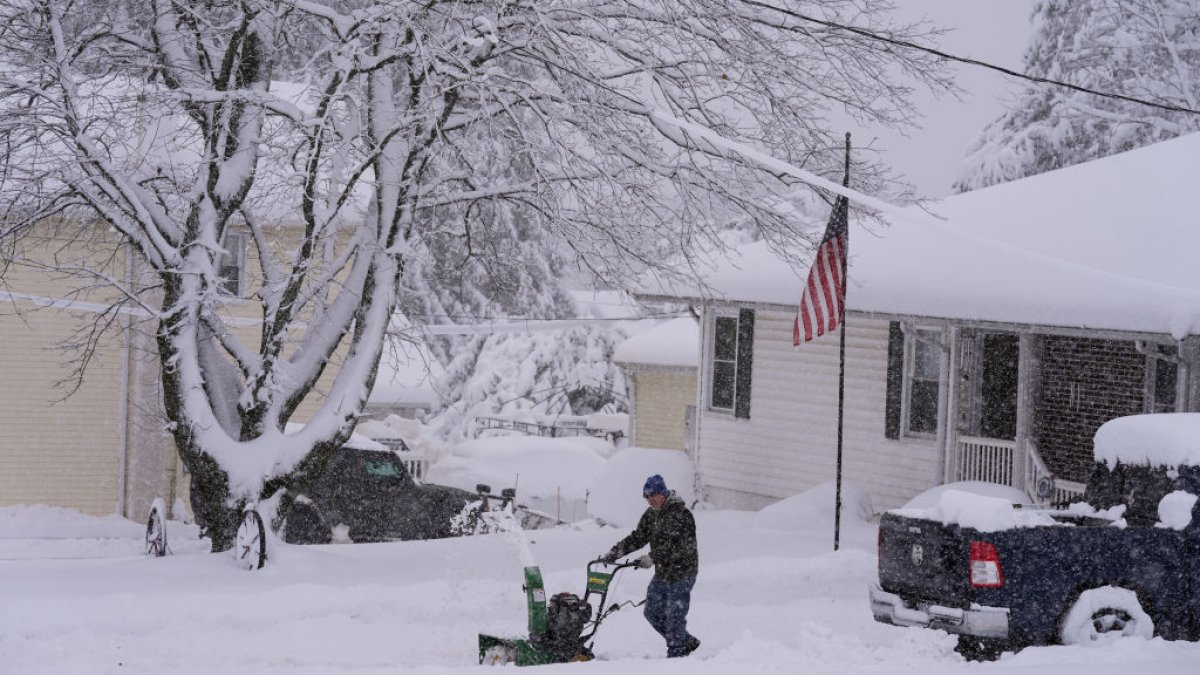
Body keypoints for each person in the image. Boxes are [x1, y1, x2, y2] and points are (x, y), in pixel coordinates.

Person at [600, 474, 700, 658]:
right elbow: (638, 536)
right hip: (663, 573)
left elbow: (678, 546)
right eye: (646, 497)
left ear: (663, 493)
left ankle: (676, 656)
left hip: (683, 571)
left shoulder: (681, 514)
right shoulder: (651, 514)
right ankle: (684, 641)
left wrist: (653, 557)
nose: (650, 500)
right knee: (652, 612)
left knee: (674, 617)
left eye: (653, 496)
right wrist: (616, 552)